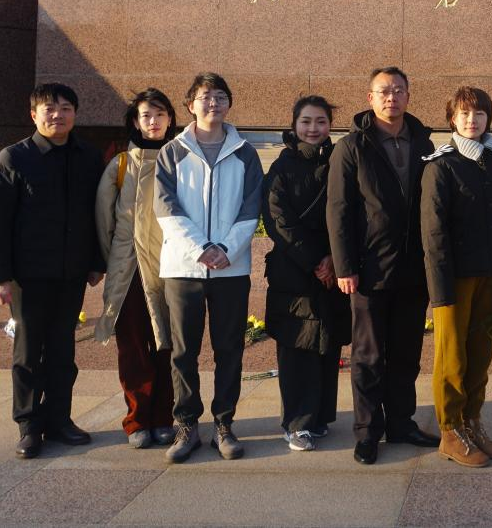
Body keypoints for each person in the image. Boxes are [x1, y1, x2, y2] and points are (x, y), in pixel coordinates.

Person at [0, 82, 106, 459]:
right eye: (49, 109)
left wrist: (96, 262)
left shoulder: (88, 156)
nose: (58, 115)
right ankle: (28, 425)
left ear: (75, 113)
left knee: (62, 350)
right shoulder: (14, 158)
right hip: (27, 276)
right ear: (33, 114)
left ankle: (58, 420)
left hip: (71, 273)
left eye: (66, 108)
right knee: (27, 353)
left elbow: (98, 214)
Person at [327, 66, 437, 465]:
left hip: (414, 268)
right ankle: (367, 431)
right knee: (369, 355)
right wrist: (344, 266)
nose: (392, 97)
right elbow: (338, 210)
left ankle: (402, 422)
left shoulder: (424, 142)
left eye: (399, 90)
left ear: (408, 95)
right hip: (369, 268)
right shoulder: (351, 146)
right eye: (384, 91)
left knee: (406, 353)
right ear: (370, 98)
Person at [155, 72, 264, 463]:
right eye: (205, 96)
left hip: (230, 269)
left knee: (229, 348)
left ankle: (223, 424)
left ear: (229, 104)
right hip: (183, 267)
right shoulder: (173, 151)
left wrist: (226, 249)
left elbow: (251, 207)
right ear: (190, 105)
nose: (213, 103)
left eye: (220, 96)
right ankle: (186, 424)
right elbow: (165, 207)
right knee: (183, 351)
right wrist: (200, 248)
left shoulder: (245, 152)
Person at [421, 86, 492, 467]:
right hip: (454, 280)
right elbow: (434, 234)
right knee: (452, 357)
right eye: (464, 114)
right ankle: (450, 430)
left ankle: (472, 421)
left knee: (480, 353)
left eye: (479, 114)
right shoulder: (441, 166)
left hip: (490, 275)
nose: (472, 120)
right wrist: (440, 289)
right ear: (452, 119)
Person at [262, 95, 352, 453]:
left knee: (327, 344)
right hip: (294, 273)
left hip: (333, 270)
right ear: (294, 124)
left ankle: (319, 418)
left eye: (320, 121)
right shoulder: (280, 167)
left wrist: (334, 258)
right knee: (297, 347)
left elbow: (350, 212)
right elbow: (277, 220)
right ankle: (296, 424)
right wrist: (317, 260)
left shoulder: (340, 162)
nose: (313, 128)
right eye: (306, 121)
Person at [94, 88, 177, 449]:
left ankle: (164, 417)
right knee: (132, 347)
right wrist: (107, 262)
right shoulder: (121, 164)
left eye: (160, 114)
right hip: (129, 268)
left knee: (168, 345)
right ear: (135, 121)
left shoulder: (181, 159)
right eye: (146, 115)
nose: (153, 121)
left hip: (171, 265)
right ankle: (137, 419)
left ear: (170, 119)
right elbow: (104, 220)